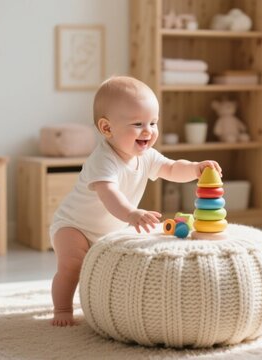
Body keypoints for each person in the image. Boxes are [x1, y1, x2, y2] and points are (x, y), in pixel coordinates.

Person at [50, 76, 222, 326]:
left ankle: (105, 304)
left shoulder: (147, 156)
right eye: (138, 124)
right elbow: (110, 194)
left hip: (111, 229)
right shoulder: (103, 160)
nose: (149, 131)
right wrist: (131, 213)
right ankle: (62, 308)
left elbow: (172, 168)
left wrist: (196, 169)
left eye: (153, 122)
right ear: (107, 128)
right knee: (72, 266)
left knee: (113, 269)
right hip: (74, 226)